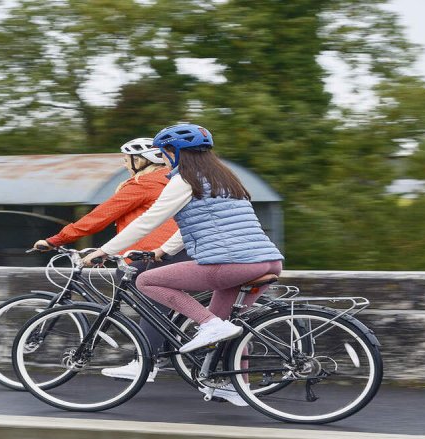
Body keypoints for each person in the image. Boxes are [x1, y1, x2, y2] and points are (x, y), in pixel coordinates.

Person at [83, 123, 284, 404]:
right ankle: (233, 385)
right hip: (268, 261)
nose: (163, 160)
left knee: (147, 281)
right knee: (229, 324)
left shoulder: (183, 179)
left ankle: (208, 325)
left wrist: (104, 251)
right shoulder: (225, 178)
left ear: (175, 153)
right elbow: (192, 224)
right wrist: (162, 251)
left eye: (164, 154)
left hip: (232, 262)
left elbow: (148, 221)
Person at [32, 138, 183, 382]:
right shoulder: (170, 180)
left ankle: (146, 362)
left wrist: (55, 240)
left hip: (150, 253)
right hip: (176, 251)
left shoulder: (144, 184)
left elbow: (98, 218)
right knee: (160, 305)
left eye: (127, 160)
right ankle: (164, 351)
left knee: (150, 304)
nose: (125, 165)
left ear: (143, 160)